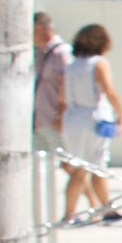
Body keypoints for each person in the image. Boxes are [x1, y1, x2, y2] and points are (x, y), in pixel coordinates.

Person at [62, 24, 122, 224]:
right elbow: (109, 89)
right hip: (93, 116)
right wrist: (120, 114)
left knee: (88, 165)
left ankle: (107, 208)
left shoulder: (72, 65)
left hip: (74, 117)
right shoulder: (99, 63)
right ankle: (71, 213)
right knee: (92, 165)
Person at [33, 12, 70, 154]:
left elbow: (66, 86)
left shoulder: (61, 52)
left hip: (54, 120)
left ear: (38, 28)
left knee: (67, 162)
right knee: (40, 167)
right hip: (38, 121)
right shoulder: (39, 53)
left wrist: (60, 116)